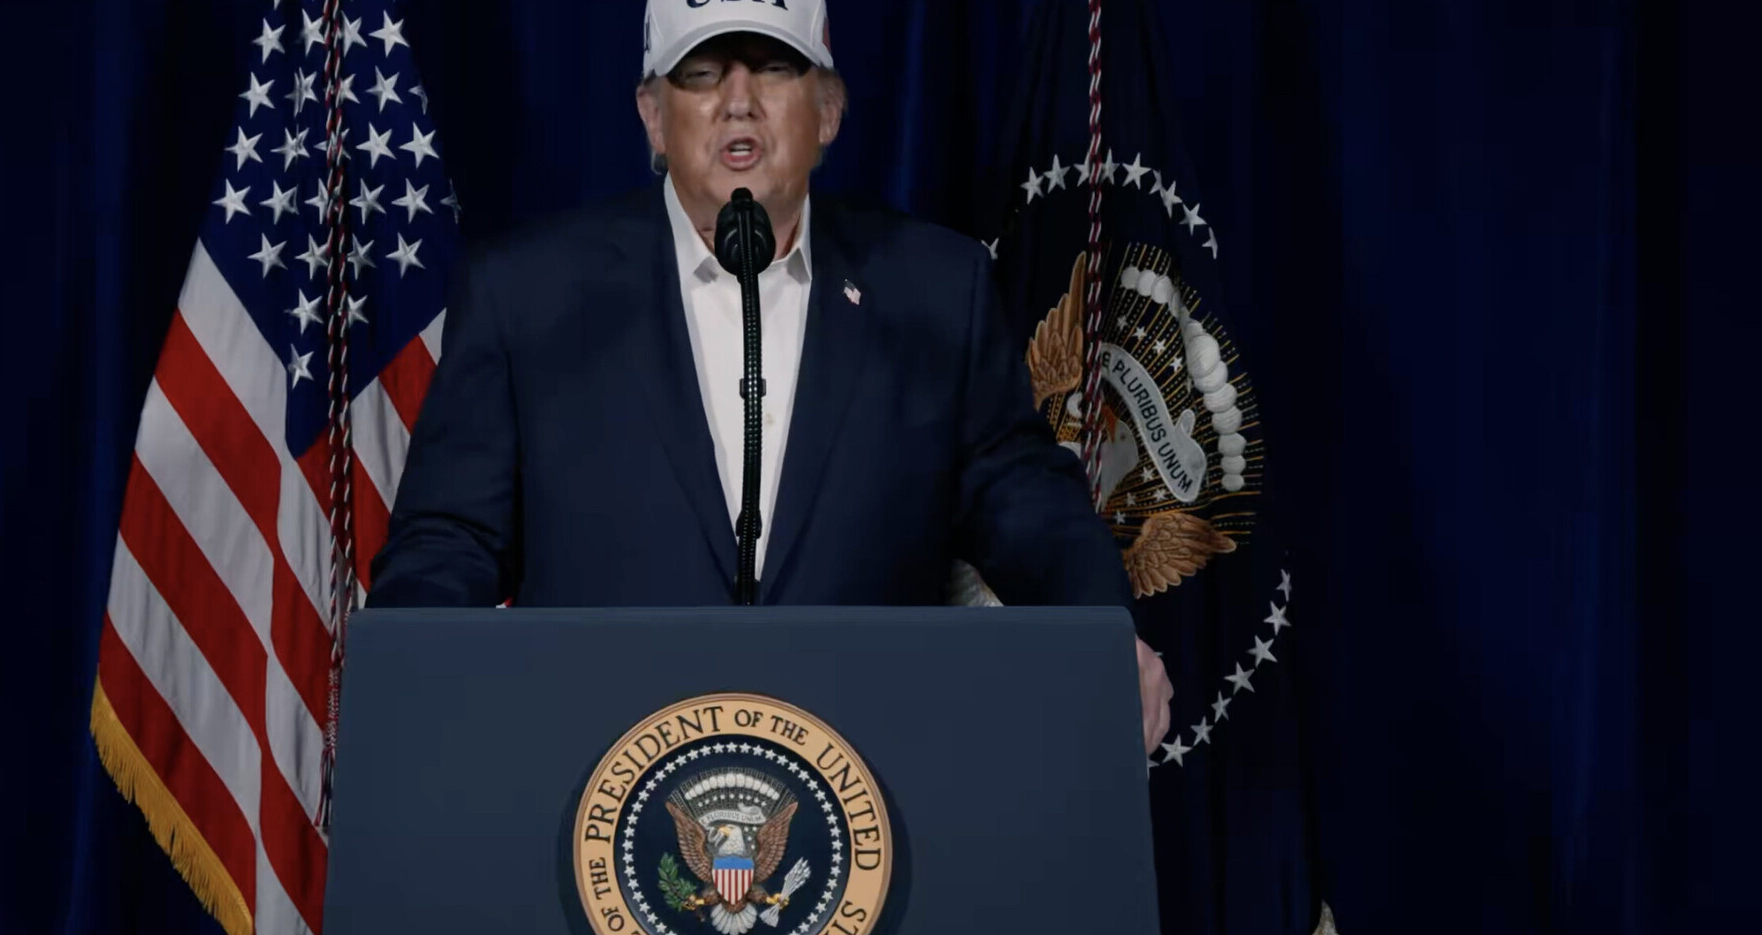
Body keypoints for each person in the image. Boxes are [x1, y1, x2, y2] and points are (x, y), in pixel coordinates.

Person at [367, 0, 1171, 753]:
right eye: (703, 73)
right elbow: (450, 542)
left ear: (828, 111)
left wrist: (1101, 636)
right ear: (653, 116)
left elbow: (1025, 501)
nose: (739, 101)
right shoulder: (528, 295)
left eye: (774, 68)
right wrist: (412, 685)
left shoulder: (934, 289)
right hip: (592, 785)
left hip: (870, 784)